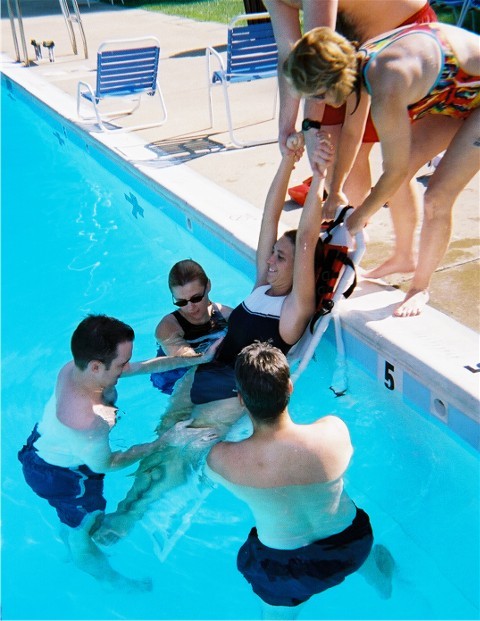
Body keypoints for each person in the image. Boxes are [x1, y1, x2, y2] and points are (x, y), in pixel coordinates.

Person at [93, 131, 334, 546]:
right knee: (162, 439)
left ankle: (130, 518)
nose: (271, 260)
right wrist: (286, 162)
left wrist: (321, 176)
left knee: (178, 448)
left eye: (281, 257)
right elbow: (269, 219)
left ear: (302, 269)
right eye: (273, 253)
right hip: (205, 372)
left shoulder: (294, 311)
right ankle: (131, 504)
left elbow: (308, 237)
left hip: (235, 390)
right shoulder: (262, 287)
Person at [284, 22, 480, 317]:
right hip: (456, 91)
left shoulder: (387, 84)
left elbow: (395, 170)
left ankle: (419, 287)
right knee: (403, 169)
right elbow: (352, 132)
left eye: (319, 95)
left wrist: (357, 219)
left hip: (468, 91)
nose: (319, 103)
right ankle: (404, 259)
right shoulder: (356, 63)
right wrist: (336, 192)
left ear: (333, 82)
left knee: (437, 197)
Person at [17, 314, 217, 591]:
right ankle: (113, 581)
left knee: (74, 521)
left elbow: (139, 367)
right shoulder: (88, 420)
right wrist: (167, 440)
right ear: (97, 367)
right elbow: (108, 464)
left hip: (46, 446)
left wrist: (197, 359)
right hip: (63, 476)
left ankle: (68, 537)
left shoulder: (76, 369)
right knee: (84, 531)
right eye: (121, 364)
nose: (125, 369)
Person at [205, 341, 394, 619]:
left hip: (284, 569)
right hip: (351, 545)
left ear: (241, 399)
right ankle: (382, 585)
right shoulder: (333, 430)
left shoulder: (222, 458)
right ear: (290, 387)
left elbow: (205, 471)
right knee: (353, 534)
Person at [264, 0, 437, 207]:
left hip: (402, 31)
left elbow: (319, 56)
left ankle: (365, 228)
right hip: (346, 40)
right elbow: (289, 52)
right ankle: (349, 229)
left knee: (387, 163)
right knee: (328, 153)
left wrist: (310, 125)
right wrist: (286, 127)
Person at [150, 259, 232, 431]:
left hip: (211, 372)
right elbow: (187, 359)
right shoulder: (168, 327)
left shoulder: (225, 315)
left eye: (196, 298)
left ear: (208, 286)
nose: (190, 307)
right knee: (175, 425)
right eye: (181, 302)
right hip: (175, 376)